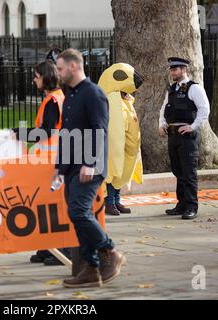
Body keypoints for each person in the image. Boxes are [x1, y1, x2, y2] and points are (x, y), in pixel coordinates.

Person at [54, 49, 125, 288]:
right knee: (76, 216)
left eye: (61, 68)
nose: (58, 73)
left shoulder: (93, 93)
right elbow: (67, 133)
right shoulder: (71, 95)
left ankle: (110, 251)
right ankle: (91, 267)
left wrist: (91, 163)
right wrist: (60, 167)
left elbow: (99, 130)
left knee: (79, 212)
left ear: (73, 67)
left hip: (89, 168)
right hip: (72, 167)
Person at [11, 60, 70, 266]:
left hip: (52, 160)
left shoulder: (53, 100)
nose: (33, 80)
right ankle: (48, 248)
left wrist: (22, 133)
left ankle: (58, 249)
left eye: (36, 76)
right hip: (53, 158)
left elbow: (47, 131)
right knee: (48, 203)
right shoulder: (56, 98)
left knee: (51, 204)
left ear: (45, 77)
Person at [158, 57, 210, 220]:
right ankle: (181, 205)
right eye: (171, 69)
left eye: (175, 69)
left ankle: (191, 207)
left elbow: (204, 110)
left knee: (189, 173)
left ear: (184, 70)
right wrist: (161, 123)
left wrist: (192, 126)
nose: (172, 72)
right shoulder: (172, 89)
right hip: (173, 135)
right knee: (178, 171)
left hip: (187, 136)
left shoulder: (194, 88)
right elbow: (163, 108)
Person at [98, 63, 145, 215]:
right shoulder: (110, 99)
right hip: (113, 145)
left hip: (126, 145)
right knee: (113, 169)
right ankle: (109, 201)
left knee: (123, 169)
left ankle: (116, 200)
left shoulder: (126, 99)